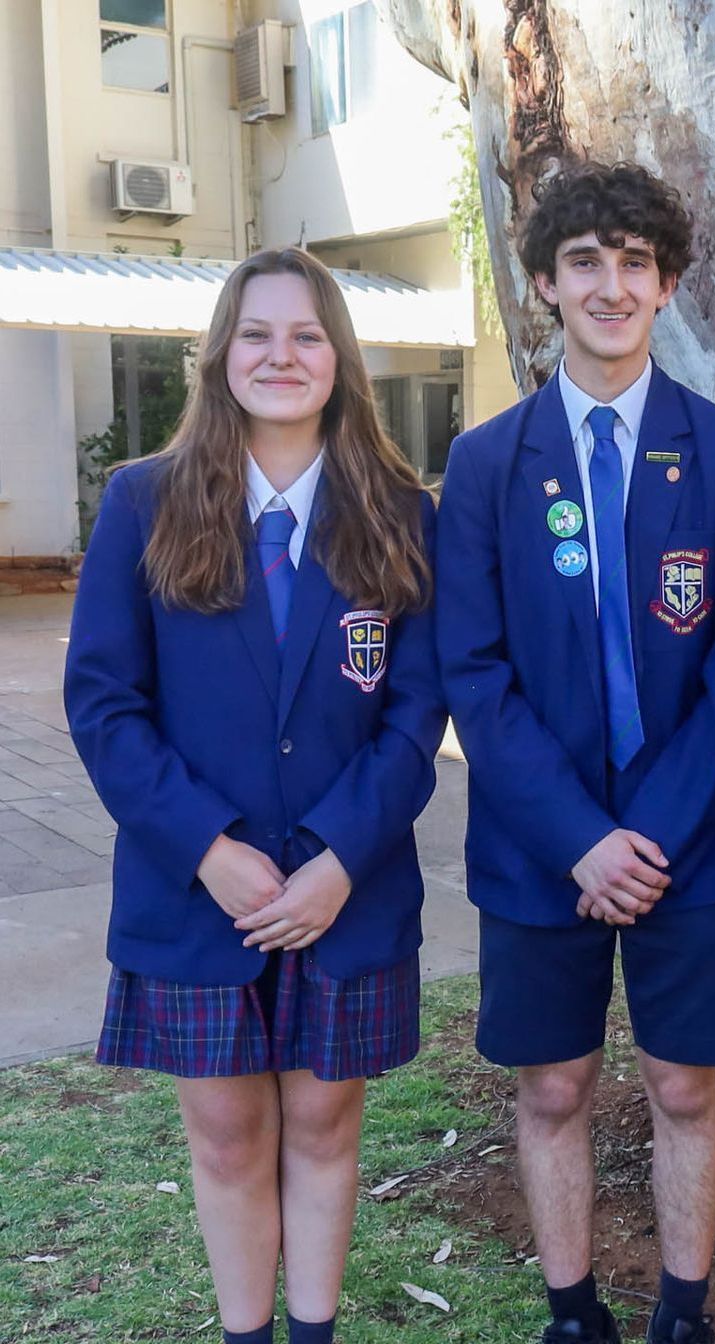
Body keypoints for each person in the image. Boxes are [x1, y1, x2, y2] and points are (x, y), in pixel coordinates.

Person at [63, 247, 444, 1344]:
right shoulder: (144, 502)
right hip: (194, 896)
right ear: (221, 353)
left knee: (324, 1123)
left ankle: (314, 1329)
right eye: (259, 333)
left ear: (341, 359)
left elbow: (416, 714)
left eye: (308, 335)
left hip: (348, 893)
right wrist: (209, 850)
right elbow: (104, 706)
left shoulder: (399, 514)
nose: (282, 355)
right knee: (228, 1133)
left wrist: (336, 860)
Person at [436, 161, 715, 1344]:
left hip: (694, 845)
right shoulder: (484, 465)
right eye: (586, 262)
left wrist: (650, 836)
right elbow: (471, 673)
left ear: (668, 285)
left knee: (685, 1086)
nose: (611, 285)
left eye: (635, 262)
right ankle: (572, 1313)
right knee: (555, 1086)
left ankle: (683, 1313)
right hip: (542, 849)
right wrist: (583, 840)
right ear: (544, 282)